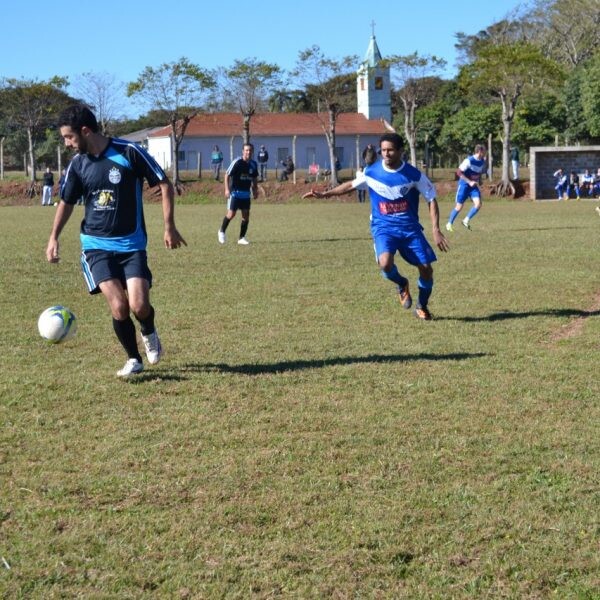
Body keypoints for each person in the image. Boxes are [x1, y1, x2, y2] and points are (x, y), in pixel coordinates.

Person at [45, 104, 187, 378]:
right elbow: (66, 201)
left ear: (85, 131)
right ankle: (134, 359)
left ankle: (149, 331)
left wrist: (169, 227)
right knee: (119, 306)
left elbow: (164, 184)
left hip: (132, 245)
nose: (67, 144)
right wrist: (54, 238)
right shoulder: (78, 164)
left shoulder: (128, 152)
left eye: (69, 137)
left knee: (139, 306)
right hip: (95, 246)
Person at [302, 132, 449, 320]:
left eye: (390, 150)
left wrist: (435, 229)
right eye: (383, 150)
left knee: (426, 268)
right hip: (383, 227)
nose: (386, 154)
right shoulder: (372, 171)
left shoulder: (414, 175)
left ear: (400, 151)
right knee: (385, 264)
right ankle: (401, 283)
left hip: (410, 229)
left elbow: (431, 199)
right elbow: (350, 186)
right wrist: (325, 194)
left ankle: (422, 306)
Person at [218, 143, 259, 245]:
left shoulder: (253, 164)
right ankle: (221, 231)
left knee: (246, 216)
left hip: (246, 194)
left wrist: (255, 189)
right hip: (235, 193)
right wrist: (227, 190)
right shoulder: (237, 162)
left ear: (252, 151)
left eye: (250, 150)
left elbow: (254, 178)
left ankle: (241, 238)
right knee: (231, 214)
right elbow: (227, 175)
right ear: (243, 151)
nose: (248, 152)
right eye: (246, 150)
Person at [446, 144, 487, 231]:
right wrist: (469, 181)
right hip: (464, 185)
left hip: (473, 187)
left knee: (478, 204)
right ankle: (449, 224)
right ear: (479, 151)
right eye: (484, 151)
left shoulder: (482, 160)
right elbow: (458, 172)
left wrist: (479, 181)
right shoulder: (469, 160)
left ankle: (465, 221)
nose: (485, 152)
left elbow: (478, 172)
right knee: (459, 207)